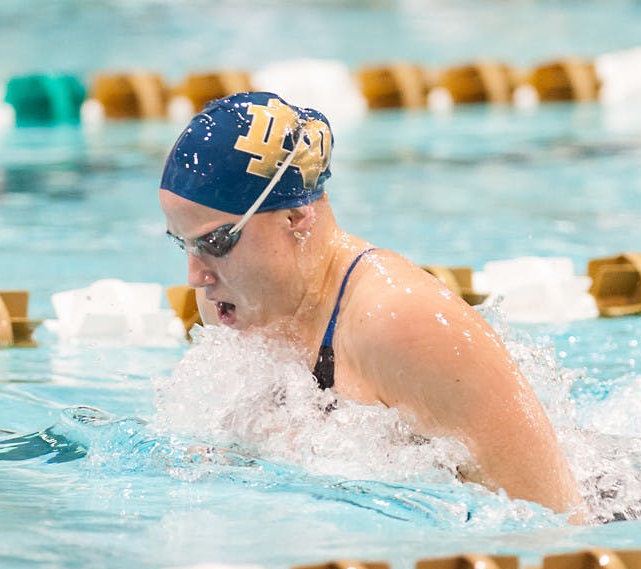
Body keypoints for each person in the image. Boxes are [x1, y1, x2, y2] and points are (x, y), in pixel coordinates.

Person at [160, 91, 581, 514]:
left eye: (216, 242)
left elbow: (554, 520)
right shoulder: (223, 304)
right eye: (183, 244)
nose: (196, 275)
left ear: (296, 217)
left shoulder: (399, 322)